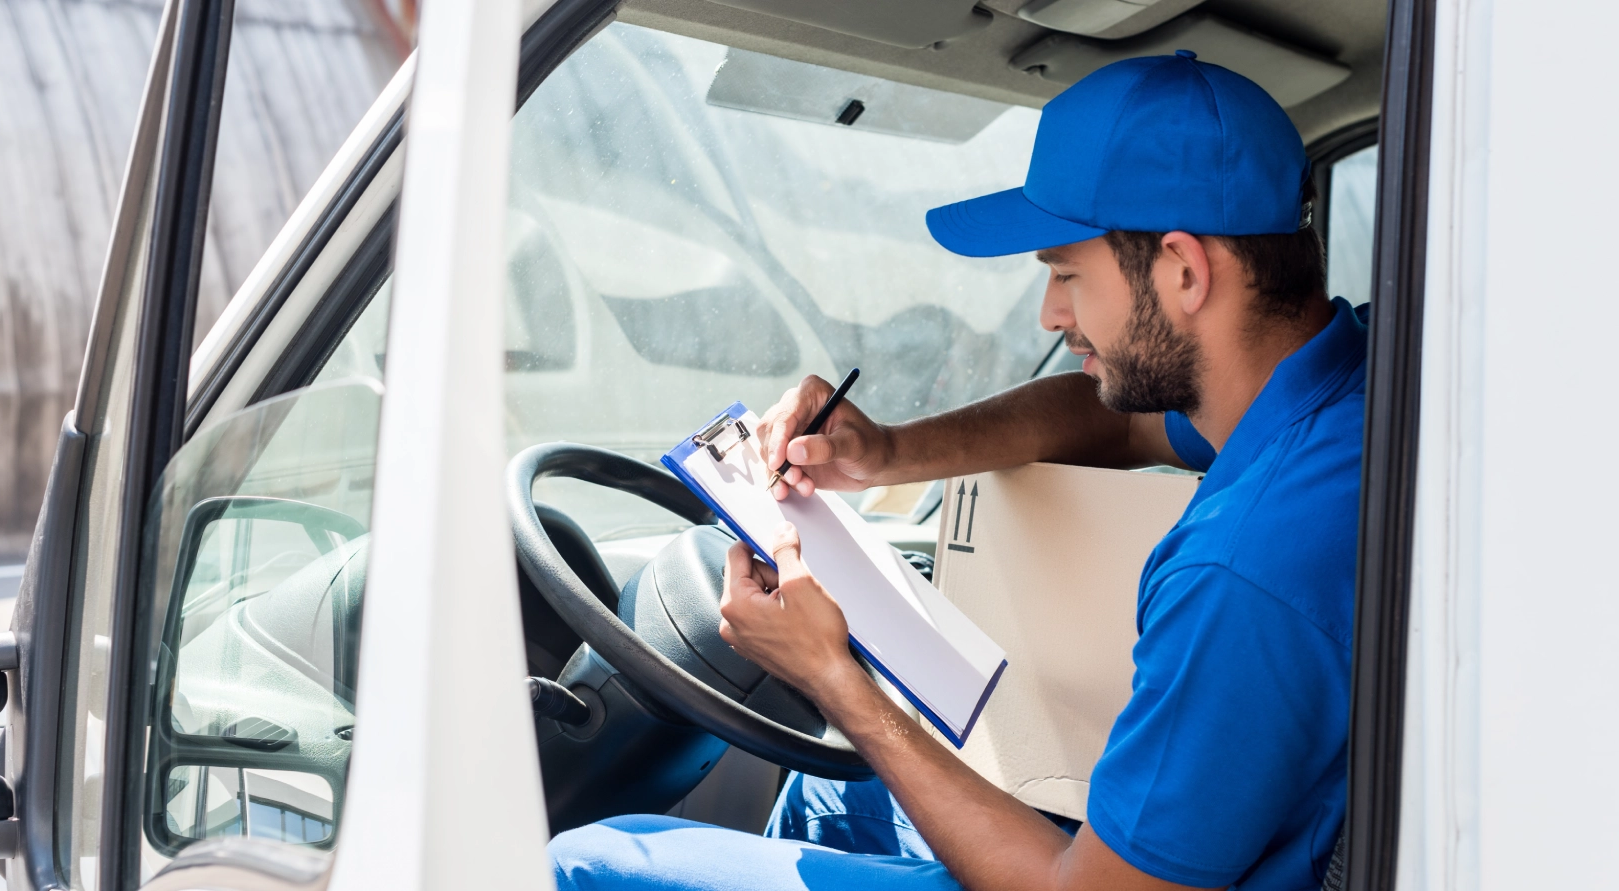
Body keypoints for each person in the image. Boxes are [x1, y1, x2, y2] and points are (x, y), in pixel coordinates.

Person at [551, 49, 1364, 891]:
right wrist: (889, 452)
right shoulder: (1353, 386)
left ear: (1186, 271)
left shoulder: (1244, 568)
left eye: (1066, 273)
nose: (1053, 313)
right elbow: (1120, 425)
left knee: (586, 861)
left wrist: (831, 675)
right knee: (831, 805)